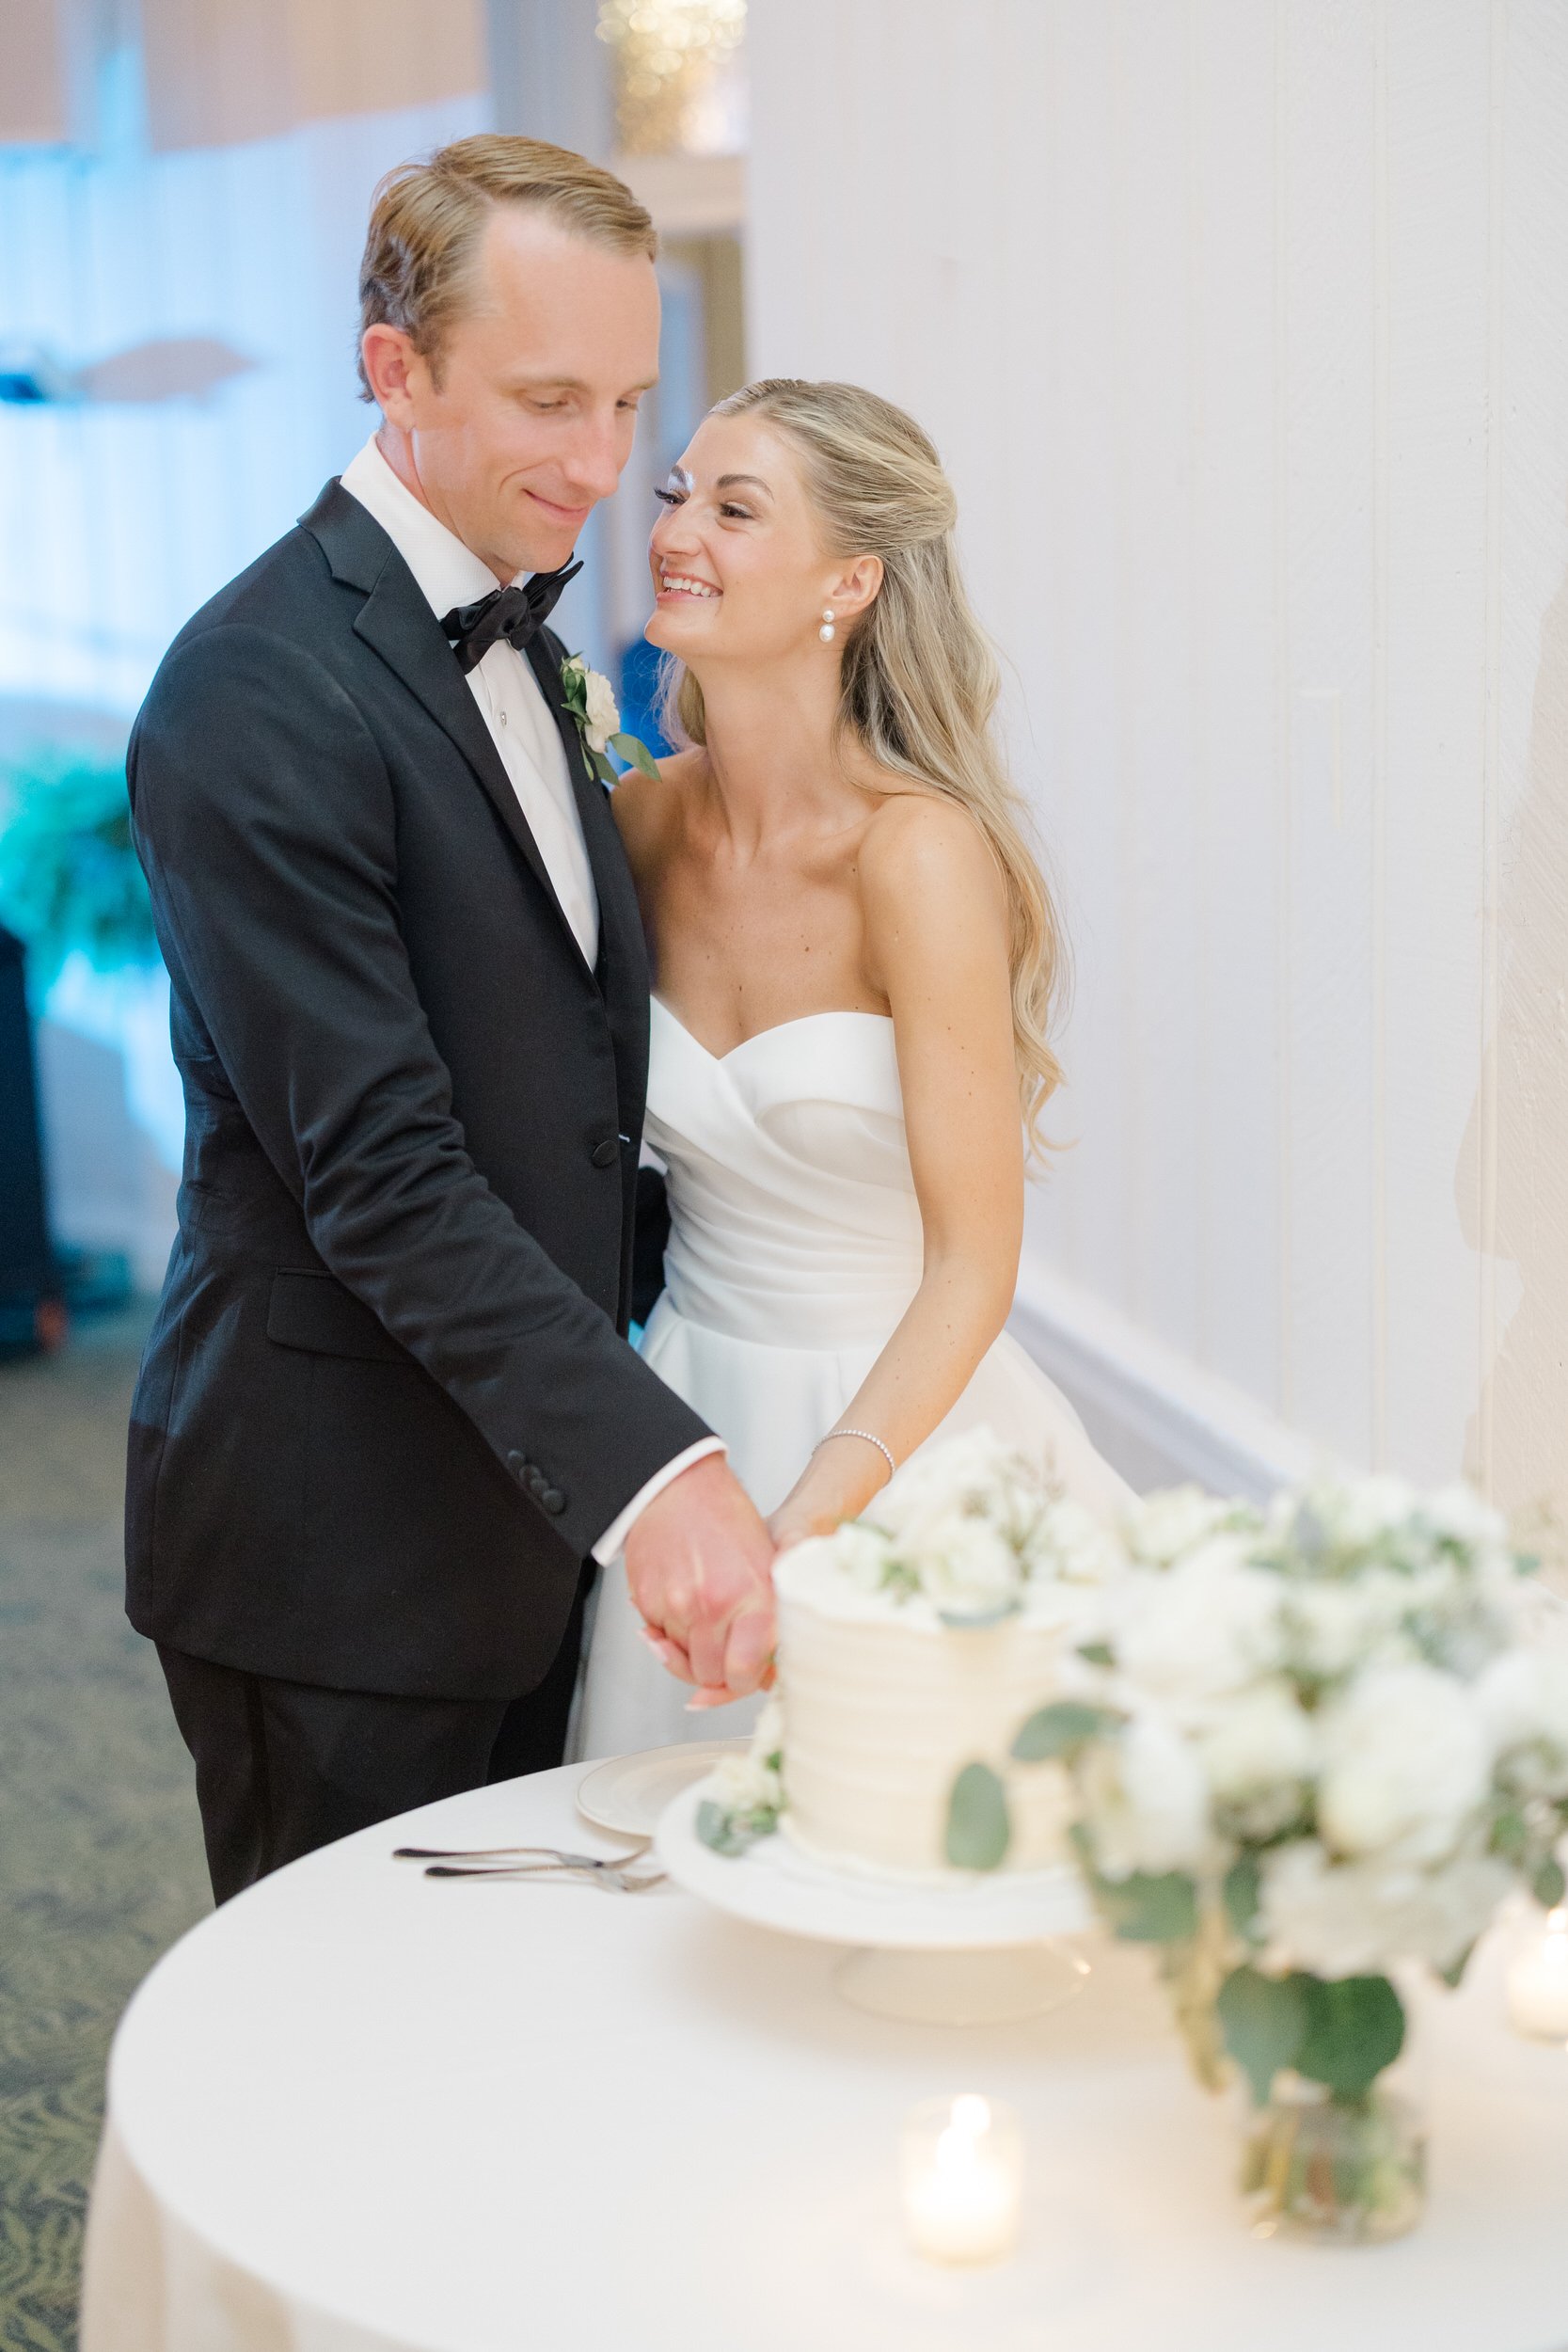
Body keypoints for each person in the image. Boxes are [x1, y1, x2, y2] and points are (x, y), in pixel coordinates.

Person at [125, 136, 775, 1904]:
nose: (600, 468)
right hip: (334, 1549)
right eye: (550, 400)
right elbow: (386, 1176)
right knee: (341, 2095)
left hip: (523, 1514)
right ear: (393, 366)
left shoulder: (523, 632)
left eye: (631, 402)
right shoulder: (252, 693)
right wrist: (665, 1472)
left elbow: (559, 1073)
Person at [573, 378, 1132, 1761]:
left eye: (735, 506)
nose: (675, 531)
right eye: (677, 494)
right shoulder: (639, 823)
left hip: (901, 1444)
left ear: (852, 581)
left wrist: (801, 1531)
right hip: (693, 1415)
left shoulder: (918, 856)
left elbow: (972, 1266)